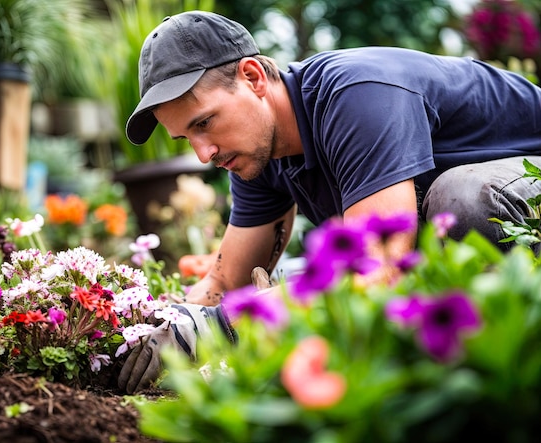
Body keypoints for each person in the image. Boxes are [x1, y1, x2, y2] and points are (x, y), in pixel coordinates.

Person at [119, 10, 541, 393]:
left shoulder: (357, 96)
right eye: (186, 138)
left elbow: (378, 270)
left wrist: (225, 326)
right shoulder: (255, 154)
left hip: (524, 184)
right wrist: (153, 323)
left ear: (253, 77)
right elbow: (225, 284)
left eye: (205, 123)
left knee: (461, 199)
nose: (203, 154)